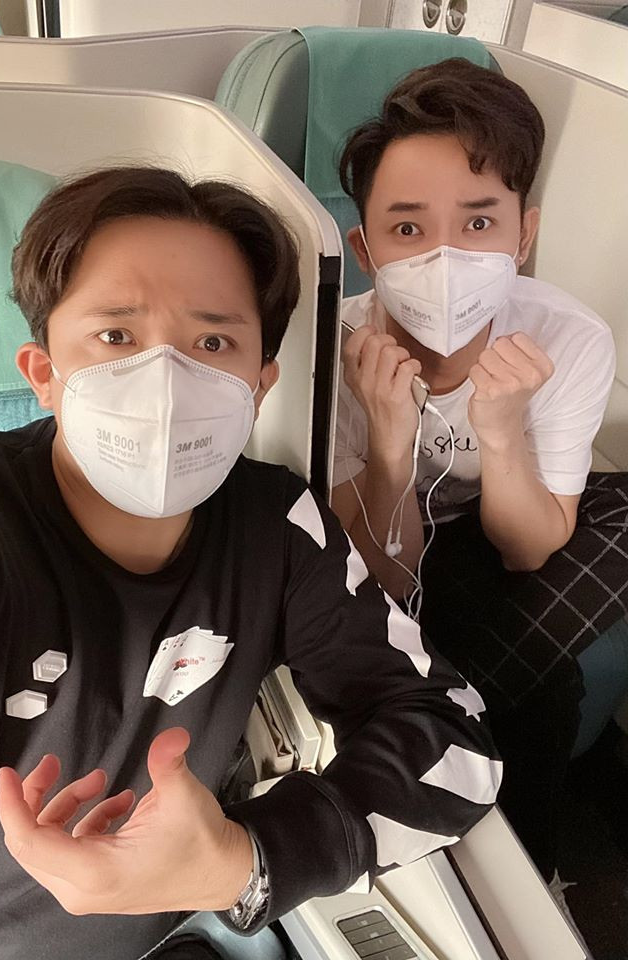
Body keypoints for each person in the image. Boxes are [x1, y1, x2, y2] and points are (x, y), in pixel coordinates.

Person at [0, 166, 501, 960]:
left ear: (259, 387)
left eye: (212, 342)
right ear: (44, 374)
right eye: (117, 336)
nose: (166, 378)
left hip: (180, 937)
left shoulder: (277, 525)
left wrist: (246, 860)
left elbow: (455, 741)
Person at [331, 58, 627, 895]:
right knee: (546, 683)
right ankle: (527, 867)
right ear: (365, 249)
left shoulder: (568, 338)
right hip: (392, 540)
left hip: (498, 532)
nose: (447, 257)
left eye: (480, 222)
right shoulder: (333, 351)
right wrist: (391, 447)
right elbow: (378, 571)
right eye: (409, 228)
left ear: (522, 237)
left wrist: (501, 433)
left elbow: (526, 549)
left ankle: (439, 717)